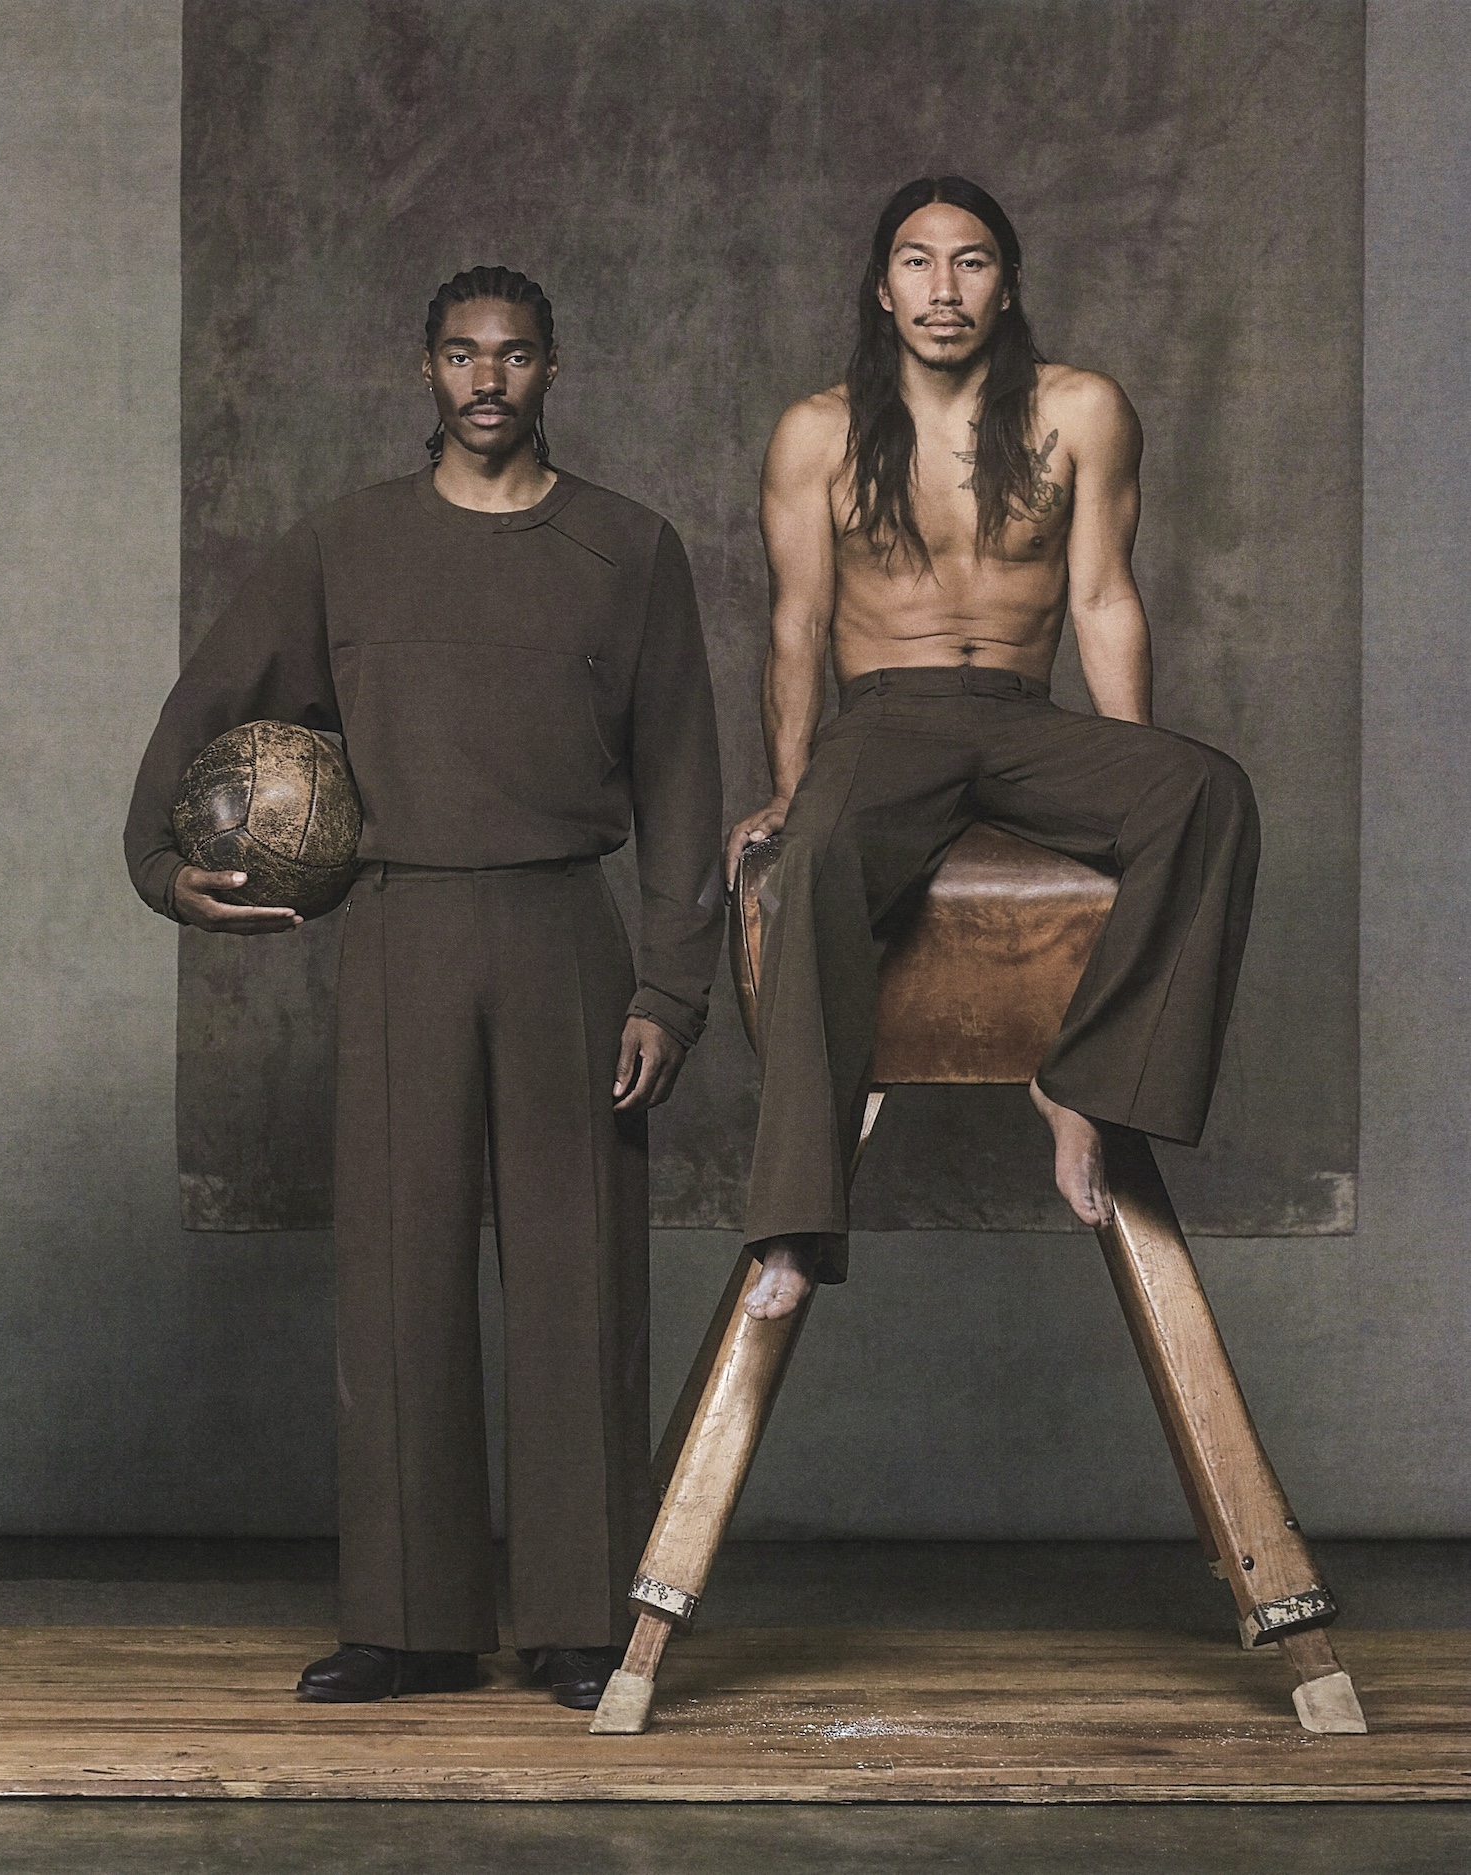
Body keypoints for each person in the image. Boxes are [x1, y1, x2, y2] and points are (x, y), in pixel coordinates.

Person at [125, 267, 723, 1707]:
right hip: (401, 930)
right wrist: (158, 858)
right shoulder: (346, 544)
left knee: (580, 1277)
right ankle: (410, 1622)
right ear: (426, 368)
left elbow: (683, 781)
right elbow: (208, 702)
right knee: (399, 1272)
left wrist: (670, 989)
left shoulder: (629, 548)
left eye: (514, 354)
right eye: (462, 354)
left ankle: (580, 1616)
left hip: (565, 931)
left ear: (554, 367)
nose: (487, 379)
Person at [727, 177, 1259, 1322]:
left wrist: (1127, 782)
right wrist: (788, 788)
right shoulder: (818, 431)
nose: (944, 287)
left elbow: (1104, 598)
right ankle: (795, 1229)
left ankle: (1083, 1087)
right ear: (882, 288)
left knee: (1205, 792)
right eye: (916, 262)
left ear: (1007, 284)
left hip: (1023, 715)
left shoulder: (1082, 410)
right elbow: (796, 624)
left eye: (970, 261)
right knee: (813, 861)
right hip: (886, 716)